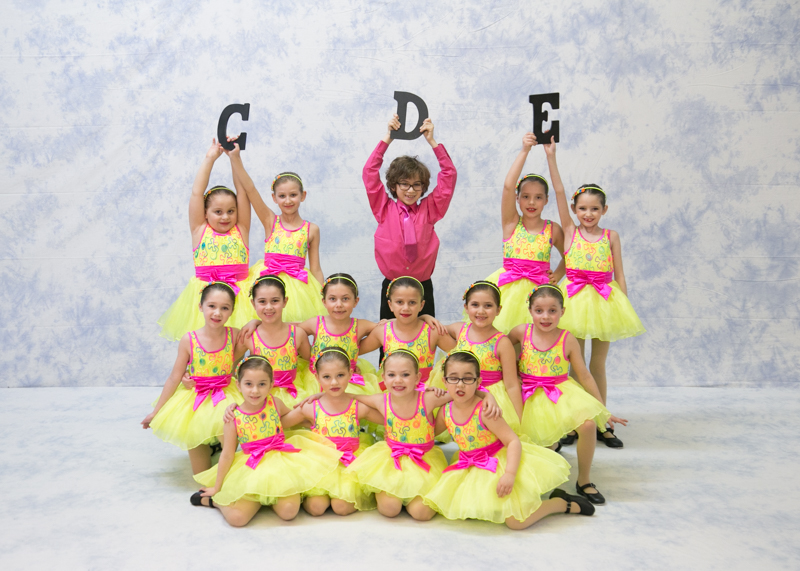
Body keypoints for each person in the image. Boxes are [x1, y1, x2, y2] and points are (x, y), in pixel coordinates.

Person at [544, 138, 645, 448]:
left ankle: (602, 420)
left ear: (604, 210)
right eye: (582, 208)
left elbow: (619, 273)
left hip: (603, 301)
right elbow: (558, 191)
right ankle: (577, 420)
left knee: (597, 364)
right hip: (574, 301)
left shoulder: (611, 236)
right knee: (575, 365)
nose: (588, 214)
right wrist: (551, 157)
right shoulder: (570, 231)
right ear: (574, 209)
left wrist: (622, 305)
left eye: (594, 209)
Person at [423, 351, 595, 528]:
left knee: (516, 522)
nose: (460, 384)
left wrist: (510, 474)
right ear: (444, 381)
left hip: (500, 462)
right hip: (471, 465)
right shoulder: (446, 411)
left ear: (478, 382)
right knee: (466, 508)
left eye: (467, 379)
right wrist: (429, 398)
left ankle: (560, 503)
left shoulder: (486, 411)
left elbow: (513, 441)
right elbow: (427, 434)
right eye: (453, 378)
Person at [342, 350, 499, 520]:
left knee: (421, 514)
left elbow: (461, 392)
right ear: (384, 378)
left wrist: (488, 396)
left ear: (417, 378)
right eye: (392, 375)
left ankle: (409, 497)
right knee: (390, 509)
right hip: (391, 460)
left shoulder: (428, 399)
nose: (398, 380)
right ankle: (386, 492)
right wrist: (323, 395)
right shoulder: (380, 400)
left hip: (424, 460)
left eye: (405, 375)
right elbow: (350, 395)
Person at [509, 284, 628, 505]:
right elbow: (501, 352)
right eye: (539, 310)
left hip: (559, 391)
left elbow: (585, 375)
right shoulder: (520, 332)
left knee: (588, 425)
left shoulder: (567, 338)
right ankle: (552, 448)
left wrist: (603, 410)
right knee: (534, 439)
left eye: (552, 310)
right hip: (529, 394)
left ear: (562, 311)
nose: (546, 317)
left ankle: (584, 480)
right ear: (530, 310)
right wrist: (512, 375)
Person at [191, 356, 342, 527]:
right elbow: (227, 454)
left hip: (281, 463)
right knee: (237, 519)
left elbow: (295, 418)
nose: (255, 391)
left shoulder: (275, 403)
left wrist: (320, 406)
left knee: (289, 512)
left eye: (262, 384)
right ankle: (215, 502)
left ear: (271, 385)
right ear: (238, 385)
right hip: (252, 468)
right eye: (249, 384)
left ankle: (270, 498)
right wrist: (217, 487)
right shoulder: (233, 418)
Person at [363, 113, 457, 338]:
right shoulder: (383, 208)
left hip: (422, 286)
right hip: (392, 287)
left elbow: (449, 175)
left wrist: (432, 142)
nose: (411, 190)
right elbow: (369, 173)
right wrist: (388, 138)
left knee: (426, 339)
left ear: (423, 187)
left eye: (417, 185)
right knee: (388, 341)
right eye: (404, 184)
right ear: (393, 186)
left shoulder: (431, 209)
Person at [142, 282, 245, 474]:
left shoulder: (235, 334)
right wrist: (156, 412)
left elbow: (259, 336)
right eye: (211, 306)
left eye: (225, 308)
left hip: (224, 395)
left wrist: (254, 323)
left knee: (227, 431)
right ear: (200, 306)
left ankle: (225, 459)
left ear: (232, 311)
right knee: (200, 473)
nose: (217, 313)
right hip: (195, 397)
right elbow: (174, 378)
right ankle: (210, 448)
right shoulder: (189, 340)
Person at [157, 139, 251, 340]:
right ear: (205, 213)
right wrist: (210, 158)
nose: (225, 217)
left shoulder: (241, 229)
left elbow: (242, 192)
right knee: (208, 345)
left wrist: (235, 159)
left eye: (231, 211)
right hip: (208, 298)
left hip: (239, 297)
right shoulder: (199, 230)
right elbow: (196, 193)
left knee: (240, 344)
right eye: (218, 212)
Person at [227, 141, 327, 323]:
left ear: (303, 196)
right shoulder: (270, 221)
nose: (288, 201)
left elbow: (316, 268)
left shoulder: (311, 229)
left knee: (293, 330)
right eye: (282, 196)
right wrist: (235, 158)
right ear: (274, 198)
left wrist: (322, 297)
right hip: (268, 283)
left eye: (293, 195)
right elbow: (250, 190)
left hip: (297, 289)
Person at [282, 347, 384, 515]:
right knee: (316, 507)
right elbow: (280, 422)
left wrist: (354, 396)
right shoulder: (311, 407)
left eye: (340, 375)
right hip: (320, 464)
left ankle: (339, 496)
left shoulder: (358, 407)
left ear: (350, 374)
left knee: (341, 507)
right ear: (317, 377)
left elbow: (390, 418)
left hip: (349, 465)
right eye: (327, 377)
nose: (334, 382)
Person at [484, 133, 565, 333]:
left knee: (536, 339)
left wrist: (557, 275)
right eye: (526, 196)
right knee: (508, 338)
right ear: (517, 198)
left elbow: (570, 255)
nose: (531, 202)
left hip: (540, 294)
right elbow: (507, 186)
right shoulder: (511, 223)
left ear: (546, 200)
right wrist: (524, 150)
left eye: (538, 197)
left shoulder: (553, 229)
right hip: (509, 293)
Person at [427, 281, 523, 433]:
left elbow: (511, 385)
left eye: (488, 306)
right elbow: (433, 329)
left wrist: (518, 420)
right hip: (459, 389)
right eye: (475, 305)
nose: (481, 311)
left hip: (488, 397)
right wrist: (425, 317)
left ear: (498, 310)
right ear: (466, 307)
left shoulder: (502, 343)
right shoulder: (459, 329)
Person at [358, 277, 452, 392]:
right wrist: (351, 365)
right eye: (399, 302)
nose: (406, 308)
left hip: (424, 393)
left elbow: (460, 352)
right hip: (392, 392)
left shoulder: (432, 331)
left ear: (421, 305)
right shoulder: (383, 331)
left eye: (412, 302)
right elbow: (353, 350)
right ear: (390, 305)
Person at [239, 274, 318, 408]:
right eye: (262, 302)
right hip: (258, 396)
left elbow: (313, 362)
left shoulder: (297, 334)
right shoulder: (249, 336)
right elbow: (230, 365)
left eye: (275, 301)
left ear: (284, 301)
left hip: (292, 394)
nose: (269, 307)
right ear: (253, 303)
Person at [298, 273, 382, 396]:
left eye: (345, 299)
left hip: (346, 380)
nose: (339, 305)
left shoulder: (360, 326)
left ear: (355, 301)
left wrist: (388, 321)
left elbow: (386, 329)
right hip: (318, 379)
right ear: (324, 301)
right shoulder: (316, 323)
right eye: (332, 299)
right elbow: (291, 333)